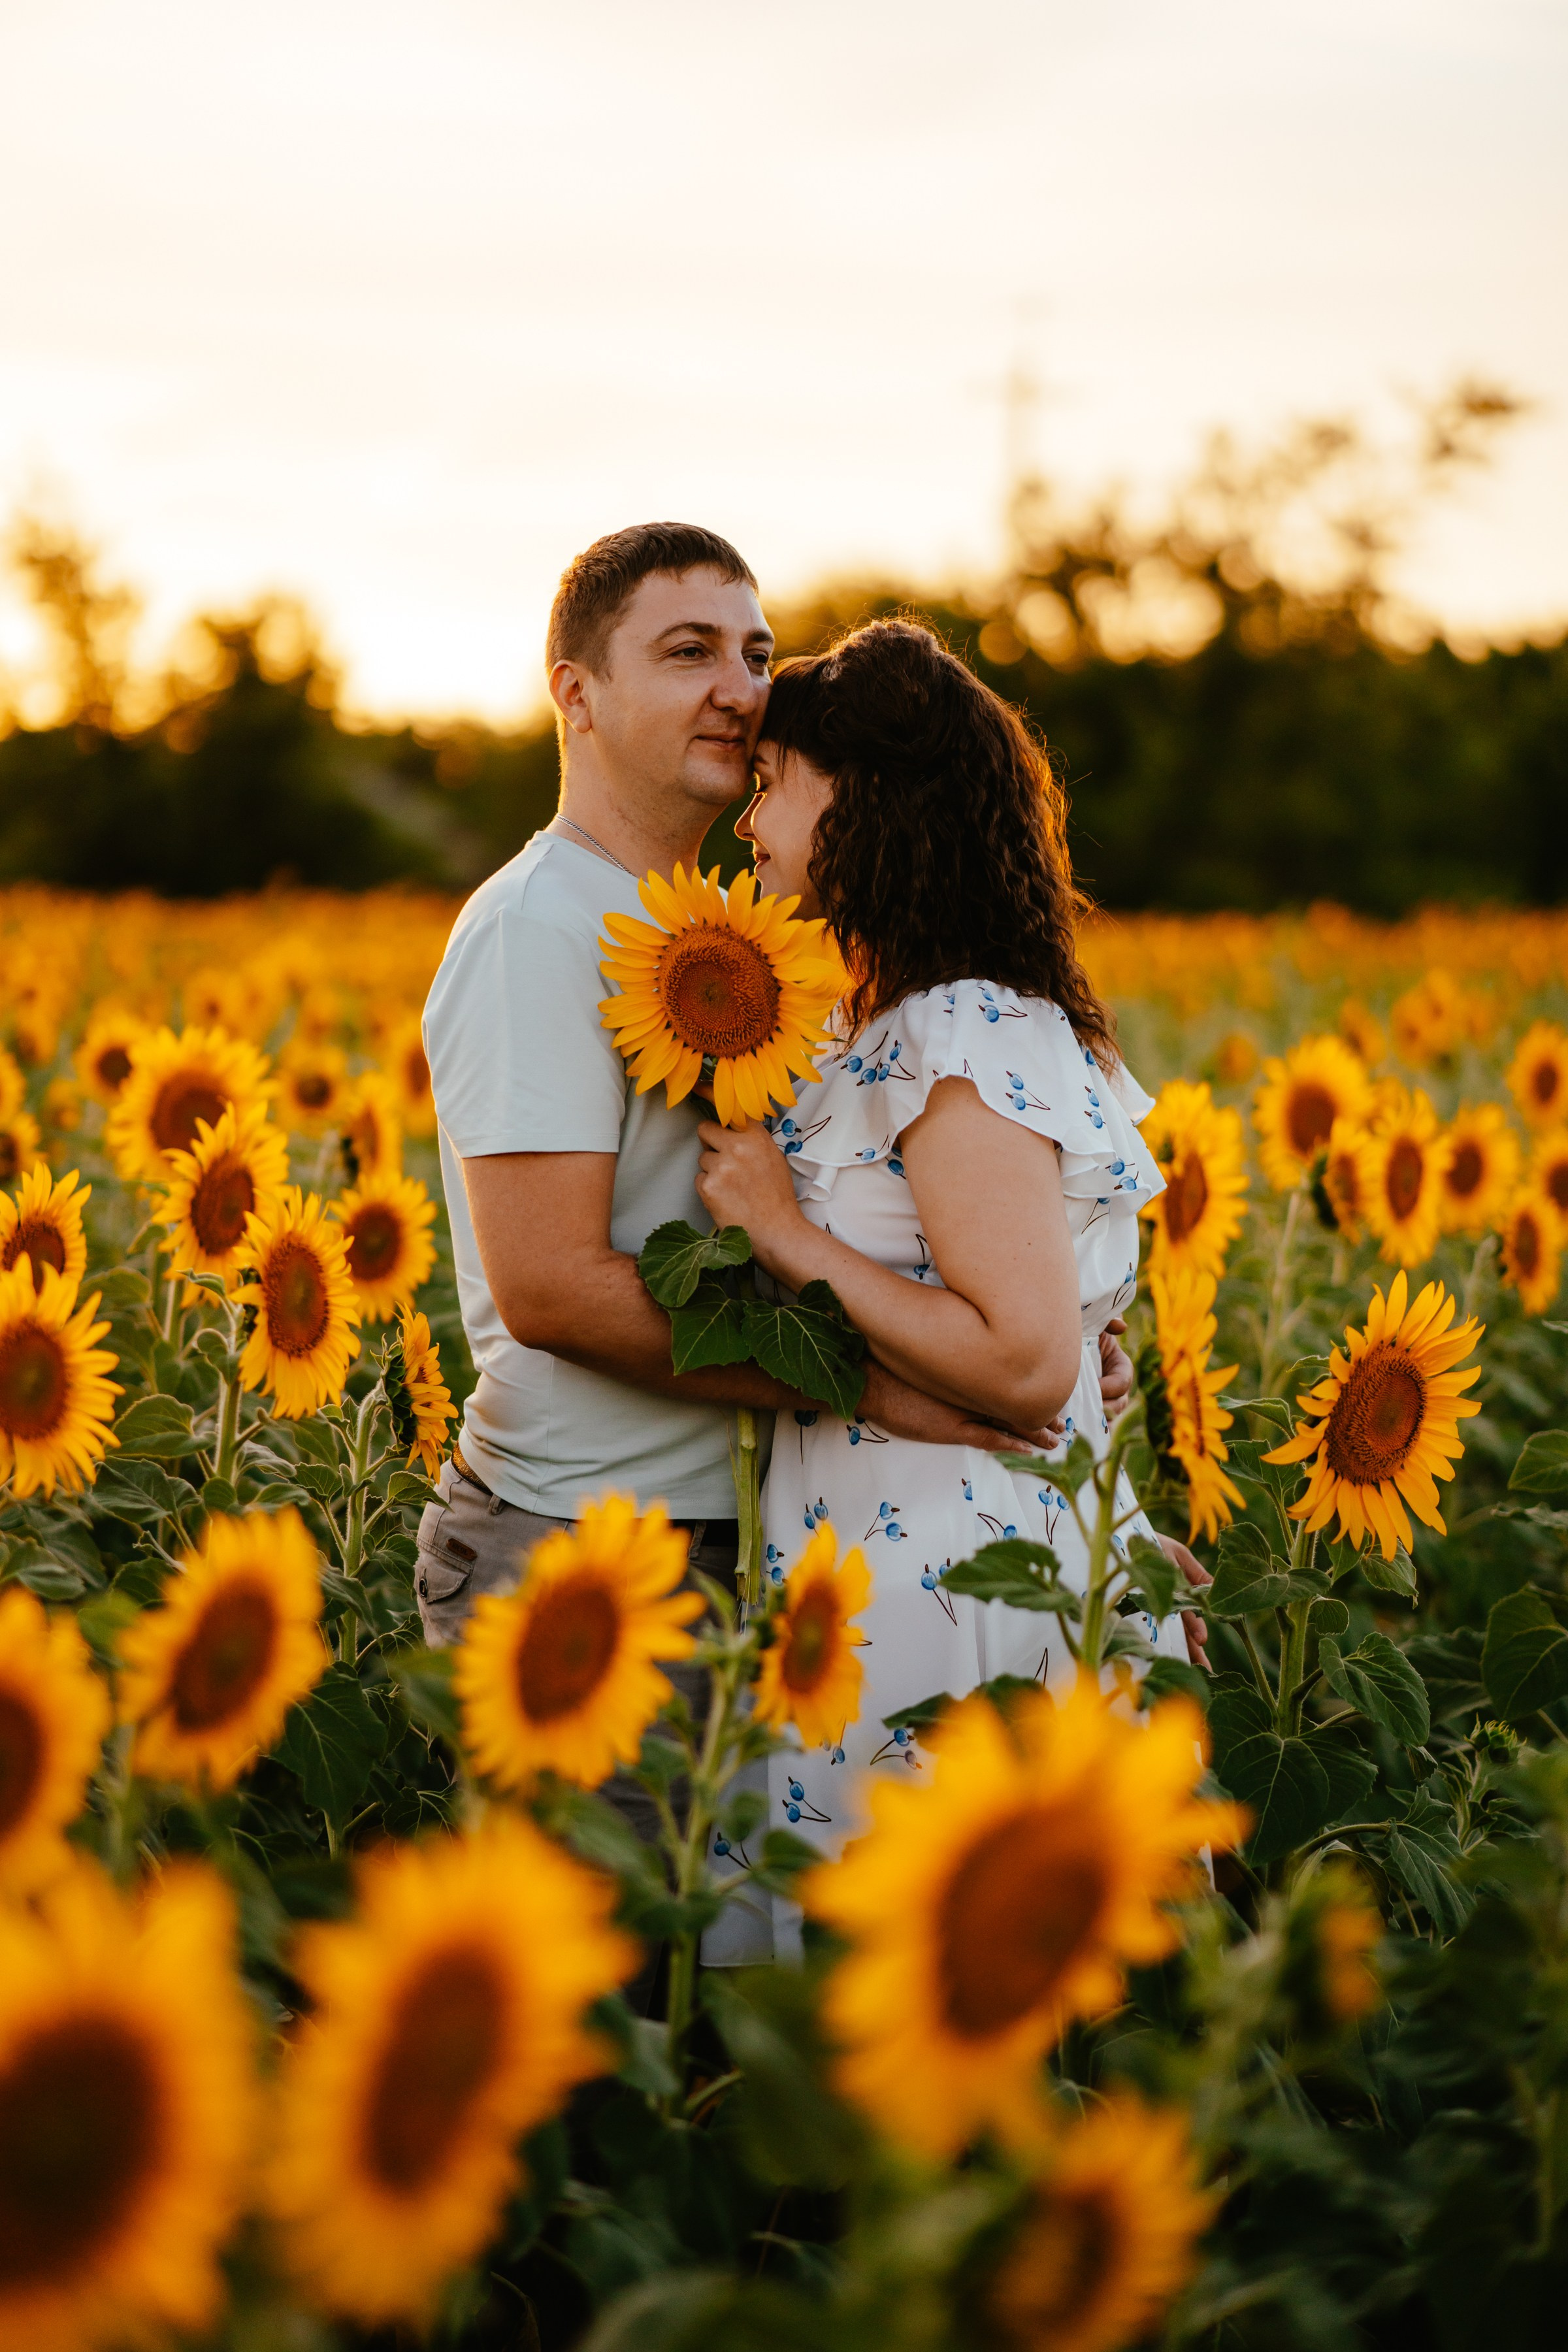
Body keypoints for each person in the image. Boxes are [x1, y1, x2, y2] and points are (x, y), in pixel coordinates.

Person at [416, 528, 1124, 1783]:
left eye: (754, 651)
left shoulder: (751, 938)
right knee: (620, 1963)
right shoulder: (537, 930)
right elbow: (553, 1288)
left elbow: (914, 1211)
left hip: (764, 1534)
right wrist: (889, 1389)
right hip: (591, 1536)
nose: (739, 687)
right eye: (687, 652)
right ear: (577, 695)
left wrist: (1059, 1360)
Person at [692, 618, 1208, 1950]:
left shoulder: (959, 1029)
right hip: (890, 1560)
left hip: (951, 1587)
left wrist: (789, 1237)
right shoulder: (893, 1018)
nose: (753, 823)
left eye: (776, 785)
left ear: (856, 801)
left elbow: (1028, 1360)